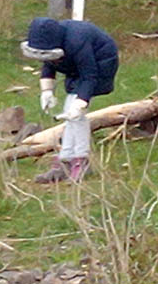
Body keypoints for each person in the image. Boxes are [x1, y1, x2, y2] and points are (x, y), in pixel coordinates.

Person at [20, 17, 119, 184]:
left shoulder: (77, 43)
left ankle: (80, 159)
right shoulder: (53, 46)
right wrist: (47, 91)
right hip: (76, 69)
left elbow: (89, 75)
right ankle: (66, 159)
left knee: (76, 114)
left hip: (100, 64)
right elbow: (49, 64)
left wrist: (81, 102)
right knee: (70, 112)